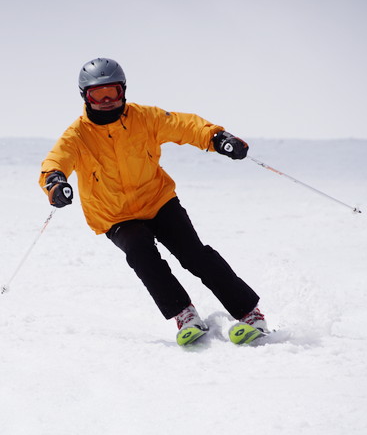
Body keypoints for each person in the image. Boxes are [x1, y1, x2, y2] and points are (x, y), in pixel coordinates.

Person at [39, 57, 268, 345]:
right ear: (85, 96)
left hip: (157, 200)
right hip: (116, 215)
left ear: (124, 91)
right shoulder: (77, 135)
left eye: (114, 92)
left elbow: (185, 126)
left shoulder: (145, 118)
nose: (107, 100)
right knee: (141, 255)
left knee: (194, 254)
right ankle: (184, 314)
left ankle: (251, 314)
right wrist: (55, 182)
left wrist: (217, 137)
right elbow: (55, 161)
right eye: (98, 94)